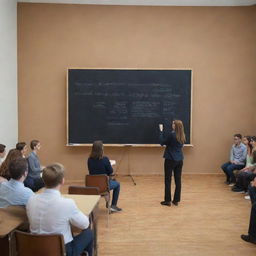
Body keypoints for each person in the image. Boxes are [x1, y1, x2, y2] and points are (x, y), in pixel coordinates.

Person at [26, 163, 94, 256]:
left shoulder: (31, 200)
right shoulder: (67, 203)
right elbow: (84, 225)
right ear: (62, 181)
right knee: (89, 233)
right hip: (62, 251)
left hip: (35, 248)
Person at [87, 140, 122, 212]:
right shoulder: (105, 159)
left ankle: (107, 201)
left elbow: (91, 171)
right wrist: (109, 164)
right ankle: (113, 206)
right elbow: (110, 171)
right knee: (117, 184)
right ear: (102, 149)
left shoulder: (89, 160)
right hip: (104, 186)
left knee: (110, 181)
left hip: (92, 186)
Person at [159, 120, 186, 206]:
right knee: (178, 180)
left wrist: (161, 131)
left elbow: (162, 142)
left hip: (170, 159)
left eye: (173, 124)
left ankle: (167, 201)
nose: (172, 125)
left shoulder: (172, 135)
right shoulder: (182, 135)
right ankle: (176, 200)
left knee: (168, 180)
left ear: (176, 126)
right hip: (179, 160)